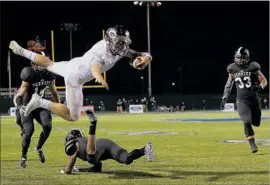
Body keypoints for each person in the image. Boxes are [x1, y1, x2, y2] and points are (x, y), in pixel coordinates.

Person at [9, 25, 152, 122]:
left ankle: (21, 51)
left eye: (123, 43)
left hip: (74, 64)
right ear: (111, 41)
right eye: (120, 43)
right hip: (75, 78)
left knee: (49, 64)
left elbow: (139, 54)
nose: (123, 46)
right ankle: (39, 102)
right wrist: (99, 77)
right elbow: (94, 67)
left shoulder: (116, 48)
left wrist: (145, 58)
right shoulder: (101, 51)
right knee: (72, 116)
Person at [60, 110, 154, 174]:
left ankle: (93, 124)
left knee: (90, 156)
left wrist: (67, 170)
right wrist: (79, 170)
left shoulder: (76, 143)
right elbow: (97, 168)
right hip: (106, 144)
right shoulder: (82, 143)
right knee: (126, 159)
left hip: (96, 149)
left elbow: (68, 168)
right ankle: (145, 149)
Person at [13, 40, 60, 168]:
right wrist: (19, 103)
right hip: (27, 105)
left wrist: (59, 107)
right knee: (29, 131)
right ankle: (23, 157)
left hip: (40, 104)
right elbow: (22, 90)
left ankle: (38, 147)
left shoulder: (50, 74)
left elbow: (54, 93)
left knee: (48, 126)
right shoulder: (29, 72)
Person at [220, 47, 268, 153]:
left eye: (241, 58)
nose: (239, 60)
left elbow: (264, 80)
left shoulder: (253, 67)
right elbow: (229, 84)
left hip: (254, 100)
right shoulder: (232, 68)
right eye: (237, 58)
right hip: (242, 101)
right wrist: (224, 97)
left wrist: (260, 87)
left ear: (246, 58)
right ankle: (253, 145)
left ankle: (252, 135)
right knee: (246, 122)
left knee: (256, 123)